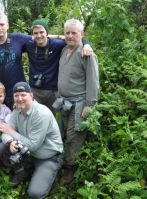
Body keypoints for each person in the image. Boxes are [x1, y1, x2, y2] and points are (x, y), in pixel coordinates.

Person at [0, 82, 63, 199]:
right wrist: (10, 142)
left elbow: (32, 145)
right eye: (16, 96)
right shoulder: (17, 110)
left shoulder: (41, 114)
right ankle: (23, 170)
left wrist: (11, 132)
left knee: (35, 193)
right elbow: (4, 131)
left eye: (23, 95)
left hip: (48, 156)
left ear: (31, 96)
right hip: (28, 152)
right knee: (2, 148)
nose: (19, 98)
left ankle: (49, 173)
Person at [53, 19, 99, 183]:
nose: (70, 36)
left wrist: (89, 106)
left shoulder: (86, 54)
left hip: (79, 104)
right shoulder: (64, 49)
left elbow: (93, 82)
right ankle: (64, 162)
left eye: (74, 33)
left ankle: (71, 167)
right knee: (64, 133)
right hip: (64, 102)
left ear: (82, 34)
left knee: (74, 137)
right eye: (67, 33)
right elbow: (45, 37)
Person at [25, 18, 93, 113]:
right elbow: (9, 38)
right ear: (32, 34)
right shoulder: (28, 44)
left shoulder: (57, 44)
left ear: (47, 32)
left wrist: (87, 44)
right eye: (35, 33)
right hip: (35, 90)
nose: (39, 35)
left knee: (53, 120)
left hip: (53, 92)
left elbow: (76, 37)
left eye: (42, 32)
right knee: (36, 117)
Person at [0, 13, 32, 109]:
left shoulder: (17, 38)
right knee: (3, 123)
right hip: (0, 95)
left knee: (21, 121)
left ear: (7, 26)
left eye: (2, 24)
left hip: (19, 92)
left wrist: (62, 37)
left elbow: (39, 37)